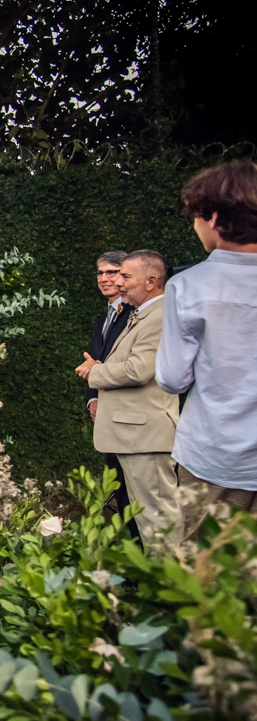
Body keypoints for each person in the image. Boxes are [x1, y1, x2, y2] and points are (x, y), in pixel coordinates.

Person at [156, 160, 257, 541]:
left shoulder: (189, 286)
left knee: (204, 578)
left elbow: (172, 378)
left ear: (213, 218)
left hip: (215, 457)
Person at [76, 250, 181, 546]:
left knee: (160, 522)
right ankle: (154, 584)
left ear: (150, 281)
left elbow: (138, 370)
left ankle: (172, 588)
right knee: (147, 521)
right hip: (134, 435)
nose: (119, 283)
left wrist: (95, 372)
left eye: (125, 276)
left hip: (146, 436)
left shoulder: (159, 316)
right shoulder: (141, 314)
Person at [85, 251, 141, 541]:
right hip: (106, 416)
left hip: (133, 417)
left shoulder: (138, 315)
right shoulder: (101, 320)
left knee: (138, 495)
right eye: (100, 273)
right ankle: (132, 555)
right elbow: (94, 360)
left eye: (112, 272)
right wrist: (93, 398)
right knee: (119, 489)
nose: (105, 278)